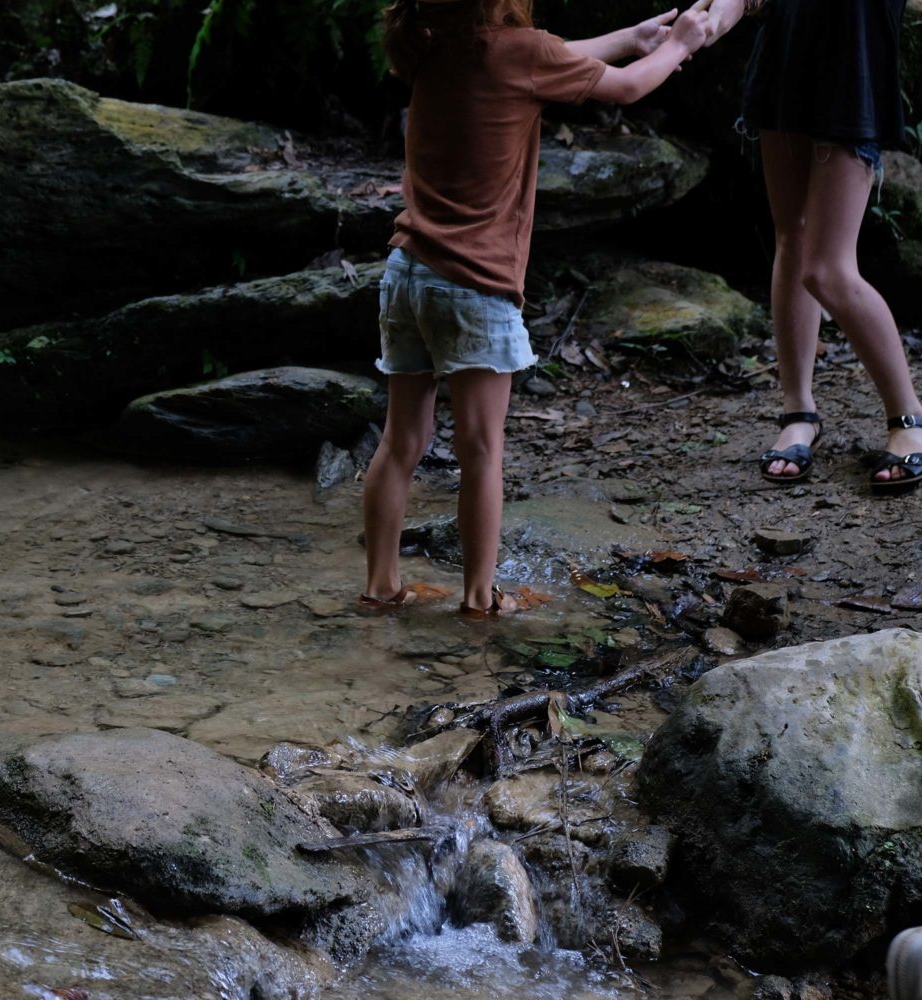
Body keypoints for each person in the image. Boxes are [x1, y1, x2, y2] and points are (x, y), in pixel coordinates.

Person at [360, 0, 715, 616]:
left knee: (401, 443)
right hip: (474, 284)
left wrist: (633, 34)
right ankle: (479, 600)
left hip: (407, 272)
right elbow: (626, 87)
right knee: (482, 451)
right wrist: (679, 43)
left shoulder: (431, 43)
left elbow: (554, 59)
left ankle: (380, 588)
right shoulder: (520, 51)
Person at [706, 0, 922, 491]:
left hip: (852, 65)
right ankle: (798, 410)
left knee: (826, 269)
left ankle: (909, 418)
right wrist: (714, 18)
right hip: (788, 53)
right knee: (793, 239)